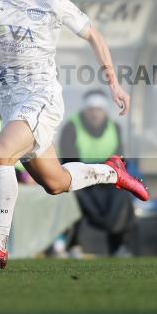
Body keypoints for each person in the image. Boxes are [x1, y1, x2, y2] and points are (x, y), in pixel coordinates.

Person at [0, 0, 148, 269]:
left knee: (0, 153)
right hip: (10, 102)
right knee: (55, 183)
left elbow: (93, 35)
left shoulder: (51, 2)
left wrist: (114, 83)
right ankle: (111, 171)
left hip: (41, 97)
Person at [59, 90, 136, 258]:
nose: (95, 114)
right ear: (85, 111)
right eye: (91, 110)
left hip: (107, 181)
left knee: (122, 197)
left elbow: (120, 162)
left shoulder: (114, 128)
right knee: (72, 197)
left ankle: (118, 246)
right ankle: (73, 245)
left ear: (105, 112)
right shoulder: (71, 127)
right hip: (81, 182)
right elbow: (68, 163)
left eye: (99, 110)